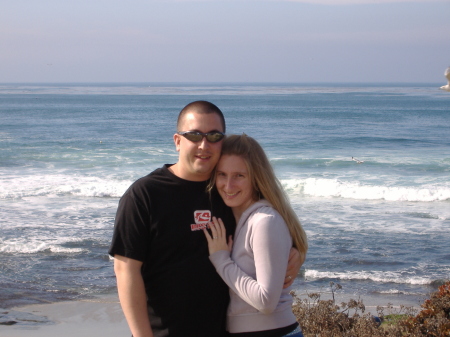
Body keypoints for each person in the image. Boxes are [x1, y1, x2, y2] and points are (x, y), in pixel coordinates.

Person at [109, 101, 304, 337]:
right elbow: (126, 271)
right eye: (194, 135)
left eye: (214, 136)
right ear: (178, 141)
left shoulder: (226, 190)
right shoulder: (144, 194)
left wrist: (296, 252)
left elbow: (269, 226)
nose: (204, 144)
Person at [204, 134, 308, 337]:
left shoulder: (264, 221)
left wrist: (220, 259)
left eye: (239, 176)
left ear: (257, 178)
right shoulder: (237, 220)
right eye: (222, 174)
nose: (228, 185)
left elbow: (266, 301)